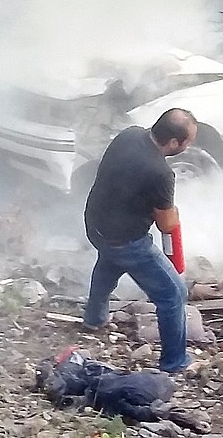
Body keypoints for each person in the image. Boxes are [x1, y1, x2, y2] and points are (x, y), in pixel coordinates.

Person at [82, 108, 198, 373]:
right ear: (172, 143)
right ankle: (175, 362)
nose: (189, 147)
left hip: (96, 224)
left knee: (109, 263)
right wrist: (174, 211)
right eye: (187, 142)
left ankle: (94, 319)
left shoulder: (129, 135)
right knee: (173, 294)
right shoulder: (161, 173)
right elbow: (166, 224)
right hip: (124, 239)